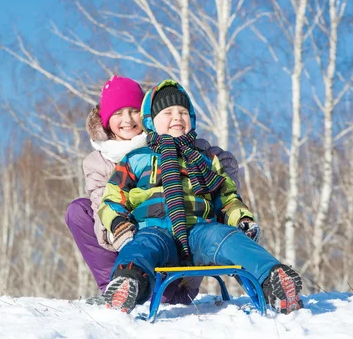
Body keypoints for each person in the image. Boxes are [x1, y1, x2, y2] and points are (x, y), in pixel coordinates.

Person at [98, 79, 304, 315]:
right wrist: (118, 223)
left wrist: (240, 219)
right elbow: (113, 199)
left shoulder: (204, 158)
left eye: (183, 112)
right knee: (142, 247)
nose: (177, 117)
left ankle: (273, 279)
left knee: (227, 238)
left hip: (200, 231)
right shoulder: (136, 159)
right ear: (150, 122)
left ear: (192, 119)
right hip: (154, 229)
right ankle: (129, 281)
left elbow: (227, 197)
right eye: (168, 112)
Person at [65, 76, 241, 305]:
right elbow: (103, 211)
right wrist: (126, 237)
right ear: (107, 121)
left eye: (133, 111)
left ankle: (155, 281)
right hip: (132, 245)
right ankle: (119, 285)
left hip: (176, 256)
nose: (127, 120)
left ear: (147, 114)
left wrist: (218, 179)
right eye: (118, 113)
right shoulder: (98, 162)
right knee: (80, 210)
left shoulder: (167, 141)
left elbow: (218, 158)